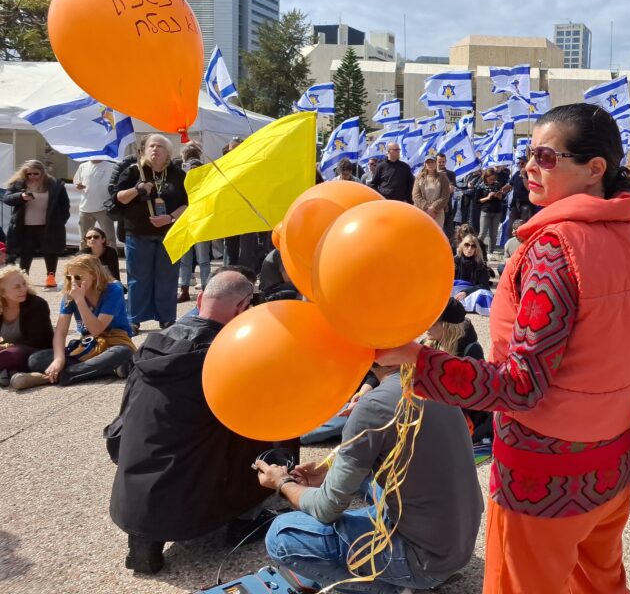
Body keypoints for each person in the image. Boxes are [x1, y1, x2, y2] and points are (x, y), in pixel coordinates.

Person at [377, 102, 630, 593]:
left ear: (595, 169)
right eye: (529, 153)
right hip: (611, 460)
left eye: (546, 157)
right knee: (601, 583)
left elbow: (521, 386)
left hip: (544, 475)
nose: (529, 166)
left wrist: (419, 360)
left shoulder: (555, 246)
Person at [260, 361, 483, 592]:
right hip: (458, 543)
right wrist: (330, 471)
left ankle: (391, 587)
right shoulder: (433, 381)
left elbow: (326, 508)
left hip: (424, 561)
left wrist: (282, 483)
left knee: (281, 534)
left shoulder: (373, 405)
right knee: (370, 484)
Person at [107, 270, 274, 574]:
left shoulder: (153, 344)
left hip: (134, 483)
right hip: (190, 496)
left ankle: (146, 542)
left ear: (199, 300)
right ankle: (245, 520)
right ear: (242, 308)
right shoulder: (226, 355)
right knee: (269, 428)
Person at [11, 254, 135, 390]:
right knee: (36, 359)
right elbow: (60, 332)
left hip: (114, 342)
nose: (74, 282)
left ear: (94, 275)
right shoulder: (70, 294)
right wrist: (59, 359)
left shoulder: (112, 290)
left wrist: (80, 300)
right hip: (88, 346)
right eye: (70, 277)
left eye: (78, 277)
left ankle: (51, 377)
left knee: (122, 353)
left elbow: (96, 329)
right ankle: (108, 369)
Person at [110, 135, 188, 332]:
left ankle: (167, 318)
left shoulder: (178, 175)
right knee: (138, 277)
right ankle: (134, 319)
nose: (155, 149)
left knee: (167, 277)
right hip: (138, 232)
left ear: (168, 153)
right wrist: (137, 189)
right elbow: (118, 198)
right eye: (151, 146)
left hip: (170, 232)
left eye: (160, 146)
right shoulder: (134, 171)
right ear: (144, 151)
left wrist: (169, 217)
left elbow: (188, 204)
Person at [422, 297, 492, 443]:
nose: (426, 326)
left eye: (432, 322)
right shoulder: (429, 343)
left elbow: (471, 398)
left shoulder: (471, 350)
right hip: (434, 407)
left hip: (459, 413)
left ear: (447, 326)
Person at [3, 159, 71, 288]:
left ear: (42, 173)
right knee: (25, 253)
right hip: (25, 226)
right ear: (25, 173)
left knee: (51, 251)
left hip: (49, 225)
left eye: (36, 173)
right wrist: (21, 197)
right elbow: (7, 198)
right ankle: (25, 278)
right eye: (29, 174)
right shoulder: (18, 184)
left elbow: (65, 205)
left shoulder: (54, 184)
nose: (32, 176)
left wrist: (60, 221)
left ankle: (50, 278)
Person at [0, 265, 53, 385]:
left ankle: (8, 372)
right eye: (17, 287)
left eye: (24, 284)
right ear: (3, 293)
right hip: (9, 350)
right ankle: (9, 373)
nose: (23, 289)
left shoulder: (37, 304)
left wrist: (6, 346)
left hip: (36, 351)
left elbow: (38, 340)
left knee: (8, 355)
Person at [176, 142, 210, 303]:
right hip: (198, 216)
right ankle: (204, 289)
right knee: (201, 258)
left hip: (189, 216)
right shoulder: (205, 170)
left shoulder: (195, 170)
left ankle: (185, 289)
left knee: (187, 258)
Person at [73, 158, 117, 250]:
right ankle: (85, 262)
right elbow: (76, 182)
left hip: (104, 208)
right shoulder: (82, 166)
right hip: (85, 208)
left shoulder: (112, 166)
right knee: (84, 239)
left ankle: (111, 262)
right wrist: (78, 185)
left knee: (109, 238)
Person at [412, 156, 451, 228]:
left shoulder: (443, 177)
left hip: (437, 212)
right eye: (428, 162)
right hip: (421, 210)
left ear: (435, 163)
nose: (430, 164)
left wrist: (433, 208)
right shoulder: (419, 177)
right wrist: (427, 208)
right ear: (425, 164)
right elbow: (416, 195)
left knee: (436, 234)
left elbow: (445, 196)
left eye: (432, 162)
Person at [476, 168, 506, 258]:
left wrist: (499, 195)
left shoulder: (497, 184)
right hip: (485, 211)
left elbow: (502, 198)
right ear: (486, 178)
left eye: (493, 179)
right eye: (490, 179)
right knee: (482, 233)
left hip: (497, 211)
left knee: (494, 234)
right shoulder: (480, 186)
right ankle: (477, 249)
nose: (492, 181)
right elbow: (477, 200)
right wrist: (488, 197)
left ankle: (490, 252)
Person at [452, 234, 492, 300]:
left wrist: (466, 292)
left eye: (473, 246)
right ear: (462, 246)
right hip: (454, 292)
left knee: (485, 294)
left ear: (476, 249)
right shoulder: (454, 261)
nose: (469, 248)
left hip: (471, 294)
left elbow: (484, 285)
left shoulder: (480, 264)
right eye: (467, 245)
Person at [508, 156, 538, 224]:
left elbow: (528, 188)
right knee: (512, 224)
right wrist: (501, 190)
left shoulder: (532, 174)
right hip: (516, 204)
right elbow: (510, 184)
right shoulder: (517, 173)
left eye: (522, 163)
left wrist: (524, 176)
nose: (520, 165)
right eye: (519, 163)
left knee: (524, 224)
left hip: (526, 204)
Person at [436, 152, 458, 239]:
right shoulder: (430, 173)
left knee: (448, 232)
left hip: (446, 206)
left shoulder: (450, 174)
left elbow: (451, 189)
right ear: (435, 162)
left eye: (443, 162)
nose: (441, 164)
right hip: (433, 206)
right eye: (439, 162)